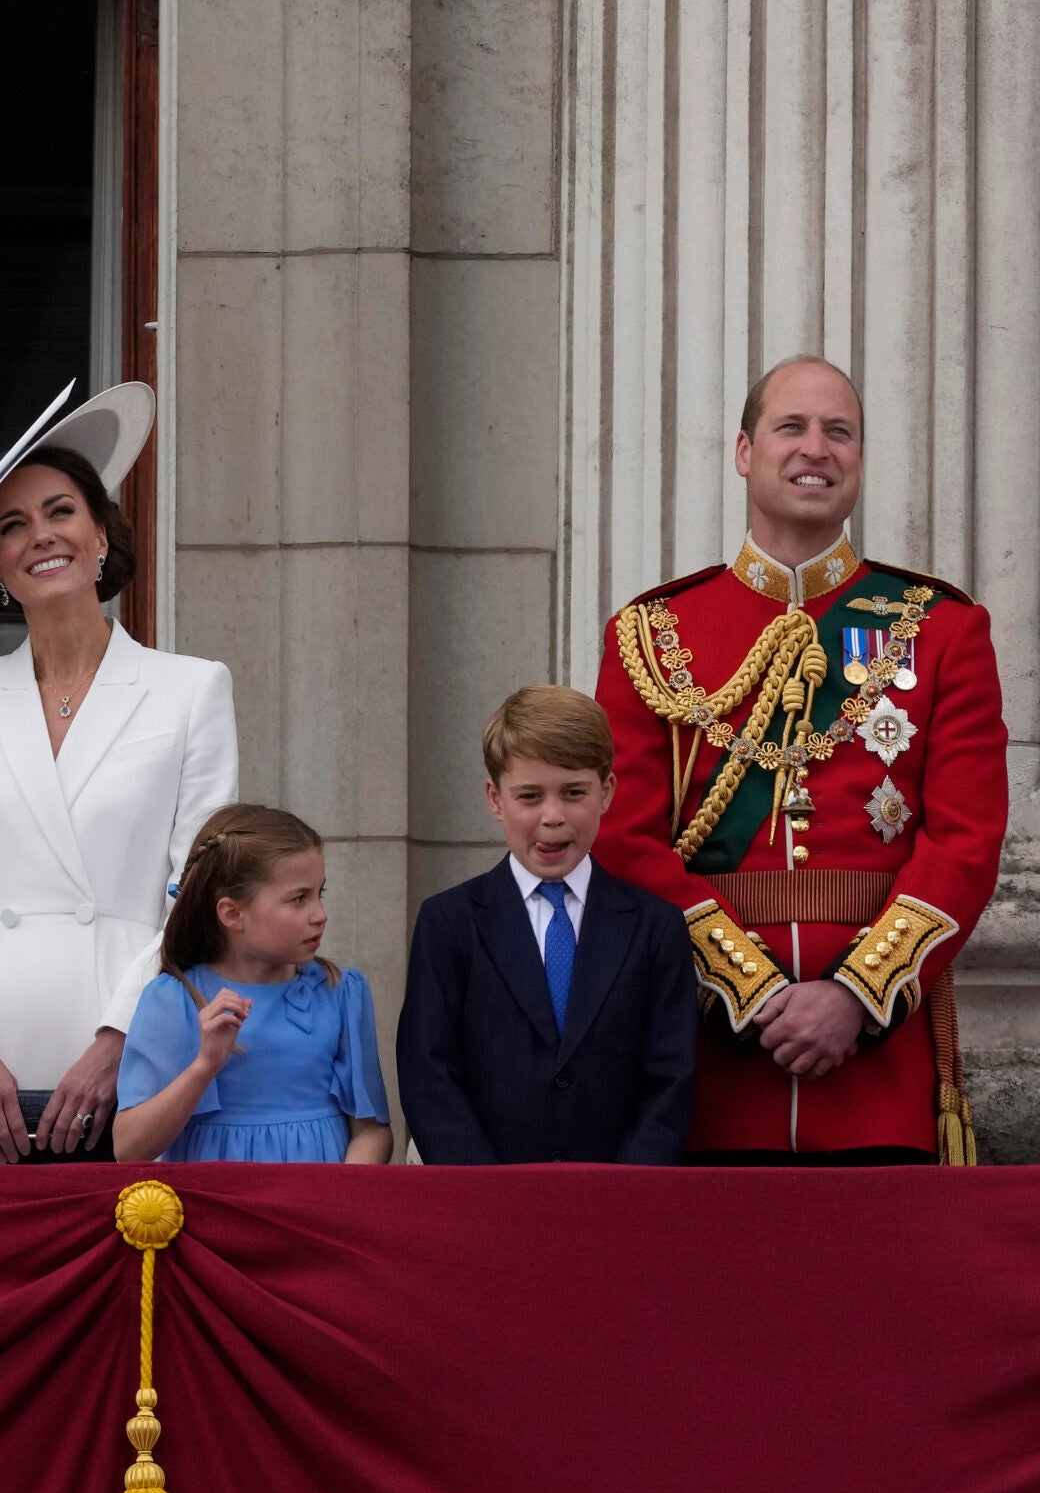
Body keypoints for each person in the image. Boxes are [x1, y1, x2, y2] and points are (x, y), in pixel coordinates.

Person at [591, 357, 1007, 1164]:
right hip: (707, 1071)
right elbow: (622, 839)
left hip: (877, 1078)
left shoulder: (942, 628)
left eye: (839, 432)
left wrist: (857, 995)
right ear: (745, 452)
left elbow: (966, 841)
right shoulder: (652, 633)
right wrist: (749, 991)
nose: (817, 448)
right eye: (792, 427)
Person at [0, 381, 238, 1165]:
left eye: (59, 511)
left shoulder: (192, 689)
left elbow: (199, 894)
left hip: (141, 1062)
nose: (40, 535)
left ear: (99, 537)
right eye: (12, 526)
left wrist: (120, 1038)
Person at [396, 686, 699, 1164]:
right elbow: (428, 1072)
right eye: (530, 797)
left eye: (573, 793)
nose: (553, 818)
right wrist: (486, 1191)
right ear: (495, 799)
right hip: (487, 1203)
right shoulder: (449, 922)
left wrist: (627, 1190)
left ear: (607, 793)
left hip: (617, 1203)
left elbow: (671, 1077)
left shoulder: (654, 927)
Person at [113, 805, 391, 1164]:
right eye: (298, 898)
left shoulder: (340, 993)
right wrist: (205, 1065)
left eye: (320, 893)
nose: (320, 914)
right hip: (214, 1209)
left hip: (313, 1208)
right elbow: (129, 1149)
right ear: (232, 913)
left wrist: (334, 1204)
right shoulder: (175, 1000)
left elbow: (371, 1130)